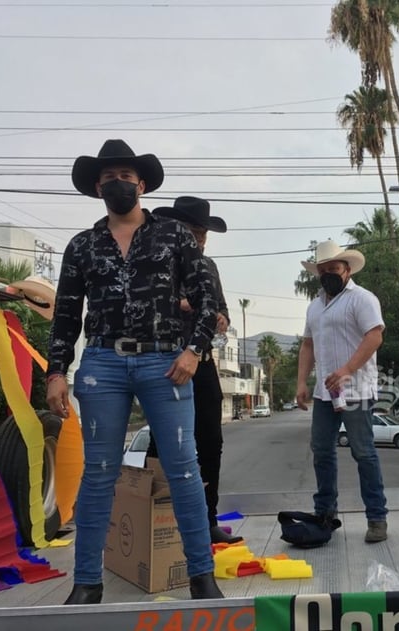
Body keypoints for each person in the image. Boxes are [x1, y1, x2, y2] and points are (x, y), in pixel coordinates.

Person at [45, 139, 224, 604]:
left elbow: (208, 299)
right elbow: (66, 313)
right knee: (99, 472)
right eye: (109, 179)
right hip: (102, 362)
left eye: (126, 177)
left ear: (141, 184)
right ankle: (86, 583)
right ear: (97, 188)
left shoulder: (173, 236)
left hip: (166, 362)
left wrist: (194, 351)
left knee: (184, 470)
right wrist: (56, 372)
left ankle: (202, 579)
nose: (117, 184)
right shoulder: (82, 245)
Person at [146, 196, 242, 545]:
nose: (200, 239)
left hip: (202, 361)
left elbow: (222, 309)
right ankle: (155, 519)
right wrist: (182, 304)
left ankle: (208, 518)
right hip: (163, 361)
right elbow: (143, 305)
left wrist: (219, 317)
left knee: (210, 442)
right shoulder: (154, 262)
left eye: (203, 234)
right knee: (162, 443)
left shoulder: (209, 267)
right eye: (194, 231)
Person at [295, 240, 389, 543]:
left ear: (347, 270)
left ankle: (377, 518)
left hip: (357, 389)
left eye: (333, 269)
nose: (328, 274)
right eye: (322, 271)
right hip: (325, 392)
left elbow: (374, 337)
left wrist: (347, 369)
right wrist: (301, 383)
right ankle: (325, 513)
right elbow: (307, 345)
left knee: (363, 453)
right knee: (321, 450)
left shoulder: (362, 299)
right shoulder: (314, 306)